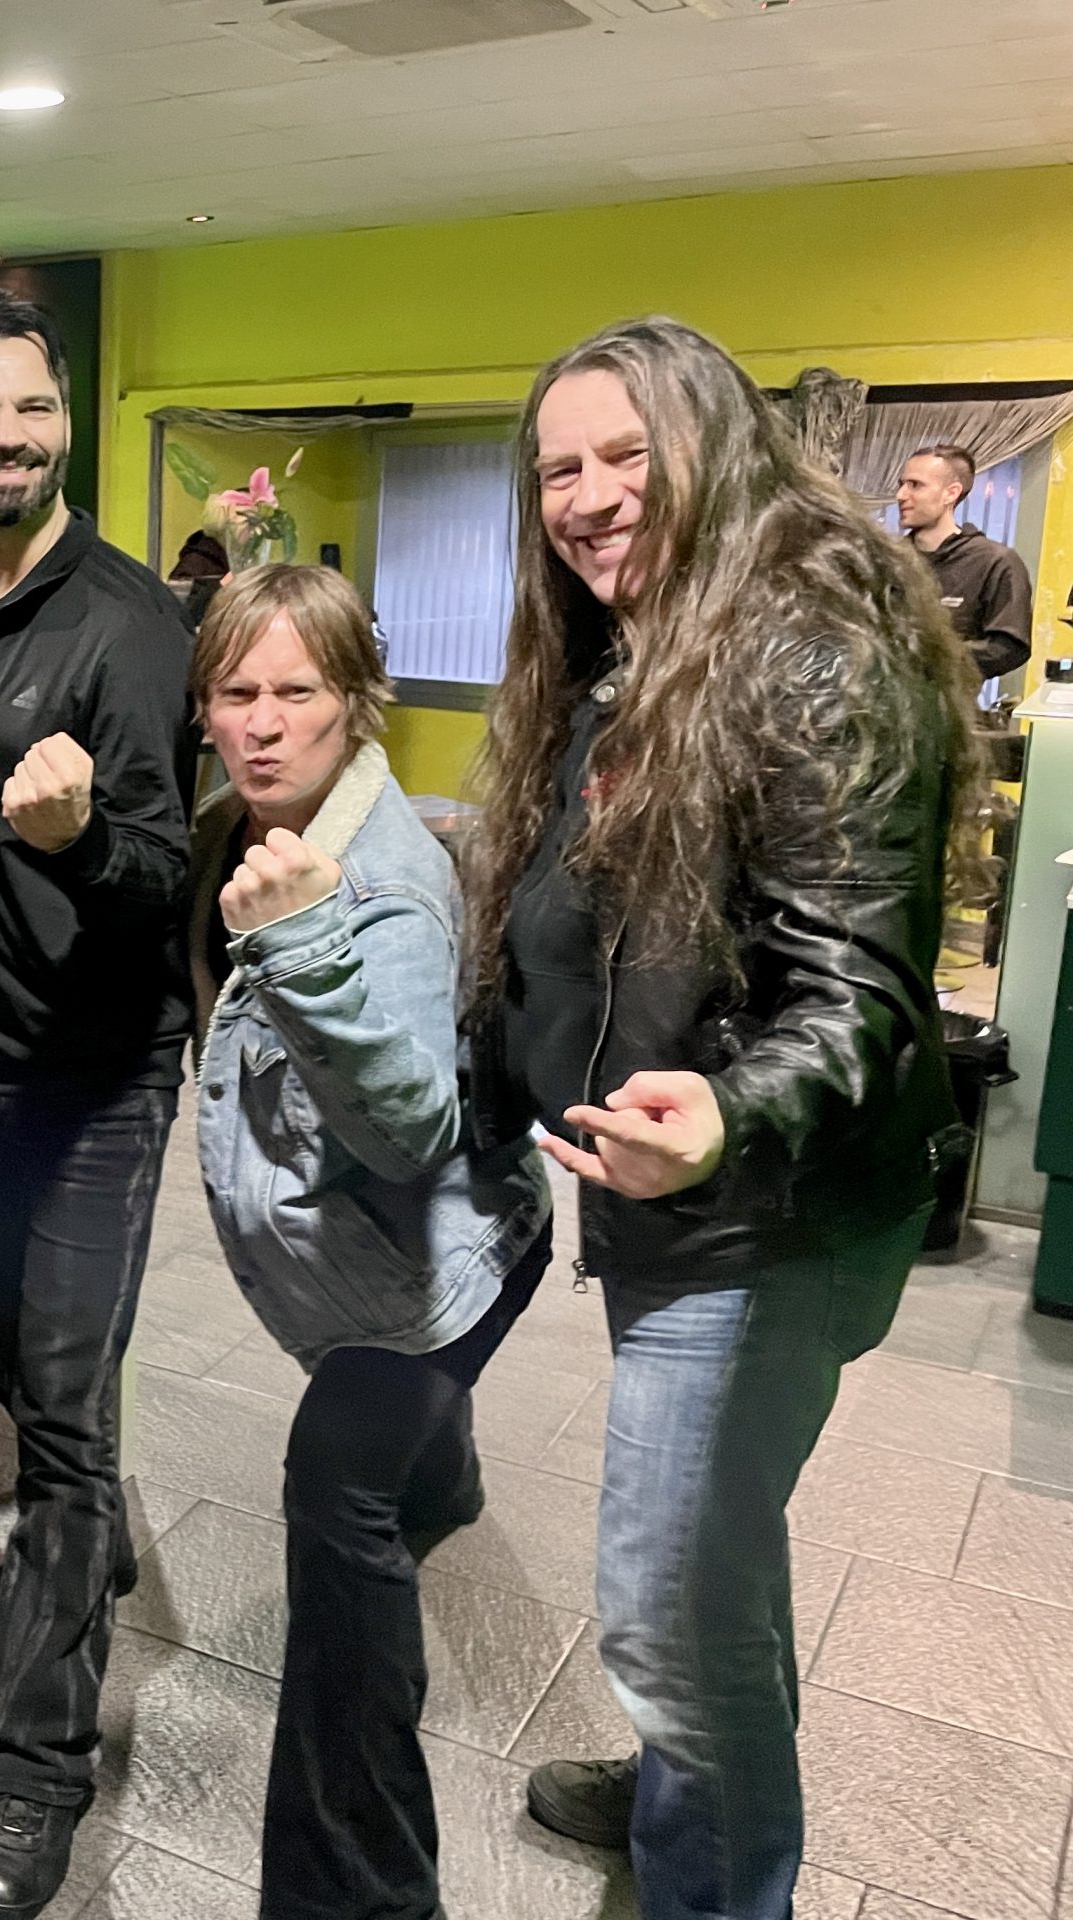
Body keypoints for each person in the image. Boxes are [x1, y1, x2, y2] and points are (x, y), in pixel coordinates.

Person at [469, 317, 979, 1918]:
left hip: (769, 1214)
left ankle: (717, 1875)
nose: (588, 495)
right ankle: (684, 1778)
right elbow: (576, 921)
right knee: (710, 1563)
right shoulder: (629, 653)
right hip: (677, 1194)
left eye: (628, 454)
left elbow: (863, 992)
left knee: (666, 1600)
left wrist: (726, 1119)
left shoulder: (812, 653)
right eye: (560, 467)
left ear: (720, 450)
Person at [187, 565, 551, 1919]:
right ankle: (441, 1477)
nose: (263, 722)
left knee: (335, 1501)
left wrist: (303, 949)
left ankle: (364, 1891)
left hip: (435, 1272)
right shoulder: (240, 828)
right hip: (393, 1258)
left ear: (357, 701)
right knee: (400, 1451)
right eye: (236, 692)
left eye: (298, 692)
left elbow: (408, 1132)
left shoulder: (380, 885)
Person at [0, 288, 196, 1920]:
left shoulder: (130, 625)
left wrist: (85, 839)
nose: (6, 437)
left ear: (65, 420)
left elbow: (170, 879)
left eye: (32, 407)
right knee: (14, 1367)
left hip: (98, 1085)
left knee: (65, 1425)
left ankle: (35, 1776)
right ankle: (89, 1547)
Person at [894, 442, 1033, 687]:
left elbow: (1008, 647)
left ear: (951, 493)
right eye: (901, 484)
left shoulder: (995, 563)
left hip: (946, 705)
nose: (901, 495)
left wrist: (927, 659)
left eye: (915, 485)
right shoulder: (886, 560)